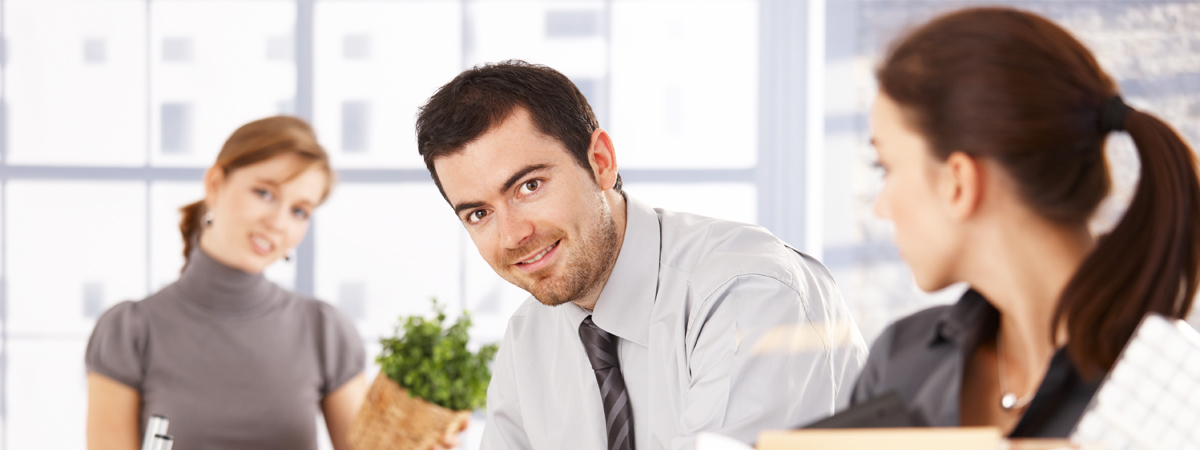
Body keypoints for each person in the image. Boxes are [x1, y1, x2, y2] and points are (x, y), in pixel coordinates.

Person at [415, 60, 868, 450]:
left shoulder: (749, 291)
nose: (512, 235)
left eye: (528, 186)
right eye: (478, 213)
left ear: (601, 161)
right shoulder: (529, 339)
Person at [850, 7, 1200, 437]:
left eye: (885, 166)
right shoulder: (900, 364)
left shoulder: (1173, 395)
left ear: (957, 181)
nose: (880, 207)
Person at [85, 116, 367, 450]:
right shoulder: (129, 332)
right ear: (215, 183)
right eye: (264, 193)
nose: (277, 222)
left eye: (299, 211)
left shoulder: (325, 330)